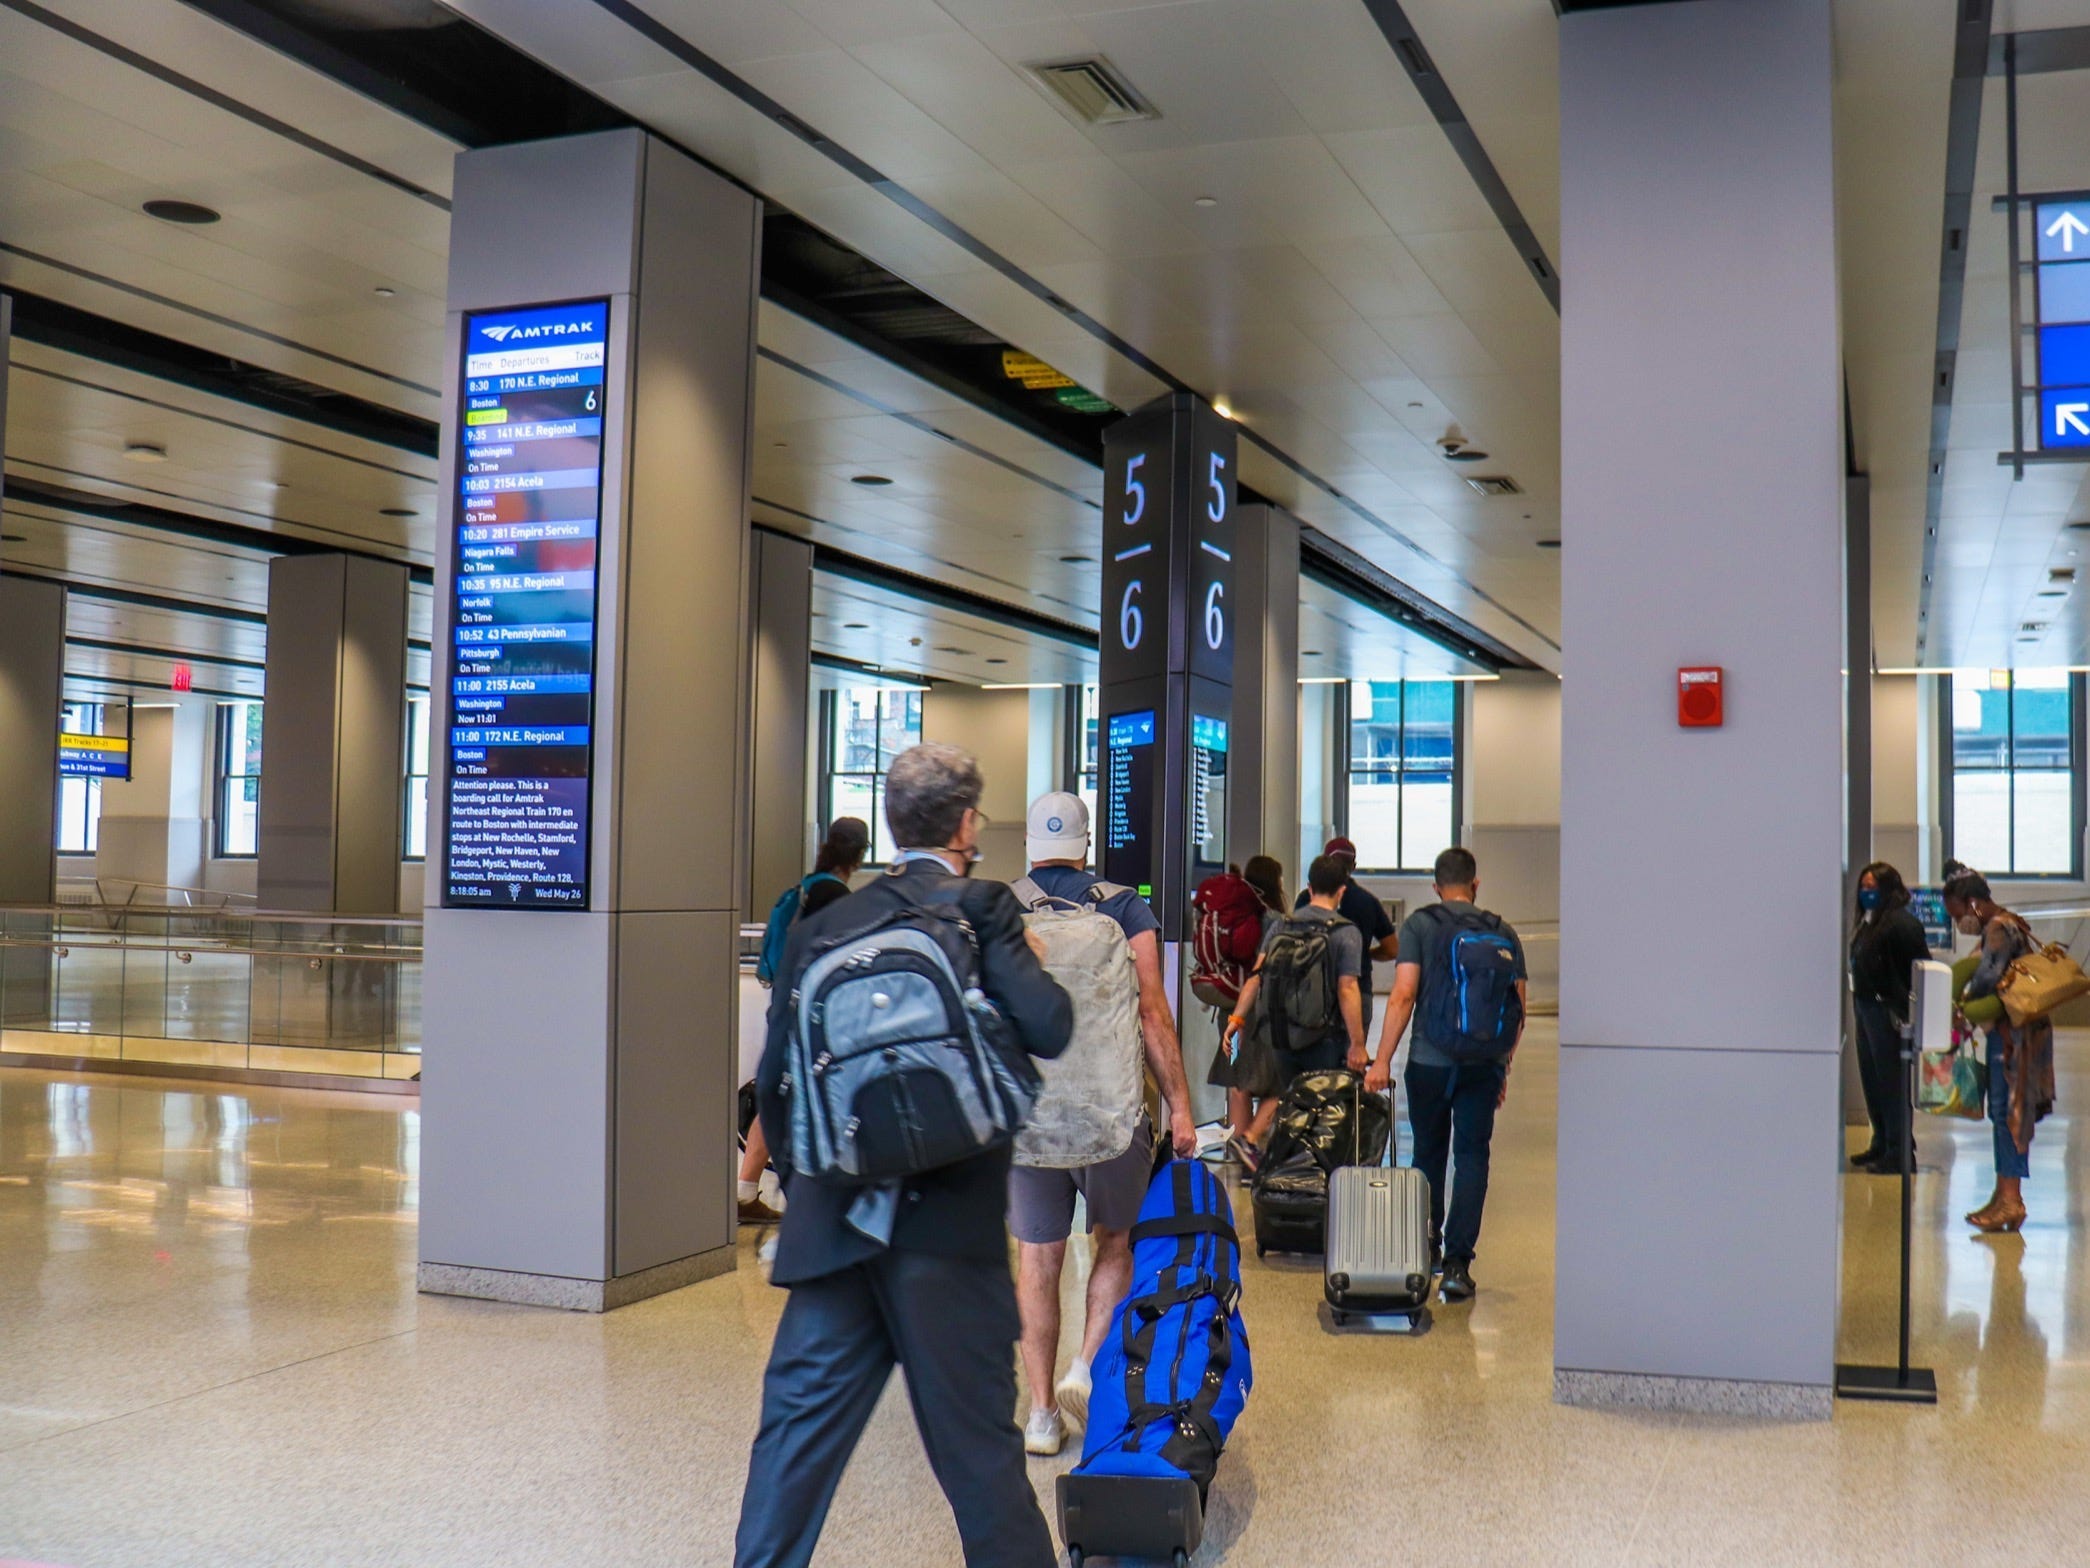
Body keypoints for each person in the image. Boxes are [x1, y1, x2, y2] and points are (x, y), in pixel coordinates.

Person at [735, 744, 1073, 1568]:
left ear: (892, 822)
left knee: (791, 1454)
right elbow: (1052, 1026)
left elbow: (775, 1087)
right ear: (966, 824)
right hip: (948, 1239)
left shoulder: (825, 924)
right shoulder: (981, 908)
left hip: (832, 1233)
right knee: (981, 1464)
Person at [1008, 792, 1200, 1457]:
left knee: (1038, 1255)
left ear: (1029, 844)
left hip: (1031, 1120)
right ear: (1087, 844)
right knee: (1114, 1241)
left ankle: (1038, 1415)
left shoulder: (1003, 908)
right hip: (1114, 1114)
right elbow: (1153, 1011)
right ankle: (1085, 1367)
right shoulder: (1124, 906)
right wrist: (1179, 1105)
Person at [1366, 846, 1526, 1303]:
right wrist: (1504, 1066)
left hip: (1429, 1063)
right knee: (1472, 1157)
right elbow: (1519, 1006)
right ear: (1476, 885)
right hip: (1484, 1066)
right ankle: (1458, 1265)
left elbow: (1402, 995)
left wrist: (1381, 1061)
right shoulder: (1502, 931)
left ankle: (1425, 1249)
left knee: (1429, 1155)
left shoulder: (1420, 925)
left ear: (1435, 886)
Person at [740, 817, 869, 1226]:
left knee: (778, 1095)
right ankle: (813, 1199)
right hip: (815, 1014)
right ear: (860, 854)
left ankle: (745, 1190)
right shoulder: (835, 895)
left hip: (784, 1005)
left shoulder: (806, 887)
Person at [1944, 870, 2055, 1234]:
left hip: (2013, 1039)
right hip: (2015, 1034)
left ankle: (2011, 1199)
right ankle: (2003, 1192)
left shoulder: (1998, 929)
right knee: (2004, 1112)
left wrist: (1959, 1007)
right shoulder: (2010, 922)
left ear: (1973, 904)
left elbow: (1986, 981)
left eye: (1957, 912)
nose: (1957, 921)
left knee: (2008, 1113)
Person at [1222, 854, 1369, 1080]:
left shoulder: (1282, 924)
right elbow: (1347, 988)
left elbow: (1256, 976)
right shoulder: (1345, 932)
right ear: (1341, 891)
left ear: (1309, 888)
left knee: (1290, 1104)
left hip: (1281, 1036)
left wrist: (1237, 1020)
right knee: (1324, 1107)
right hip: (1323, 1040)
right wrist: (1358, 1044)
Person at [1207, 854, 1291, 1168]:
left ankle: (1238, 1146)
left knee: (1238, 1078)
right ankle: (1249, 1140)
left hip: (1229, 1009)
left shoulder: (1231, 914)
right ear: (1274, 882)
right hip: (1259, 1011)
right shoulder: (1274, 919)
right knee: (1283, 1078)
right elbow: (1266, 969)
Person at [1847, 861, 1930, 1173]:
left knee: (1891, 1083)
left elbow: (1918, 969)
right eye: (1863, 887)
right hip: (1866, 1007)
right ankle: (1881, 1141)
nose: (1867, 893)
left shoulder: (1901, 925)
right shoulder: (1871, 922)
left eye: (1873, 887)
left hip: (1887, 1013)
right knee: (1873, 1079)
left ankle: (1899, 1150)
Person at [1294, 835, 1398, 1031]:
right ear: (1354, 866)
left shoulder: (1305, 899)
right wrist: (1363, 953)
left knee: (1311, 1056)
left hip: (1312, 992)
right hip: (1358, 992)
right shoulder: (1367, 902)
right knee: (1352, 1057)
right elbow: (1392, 949)